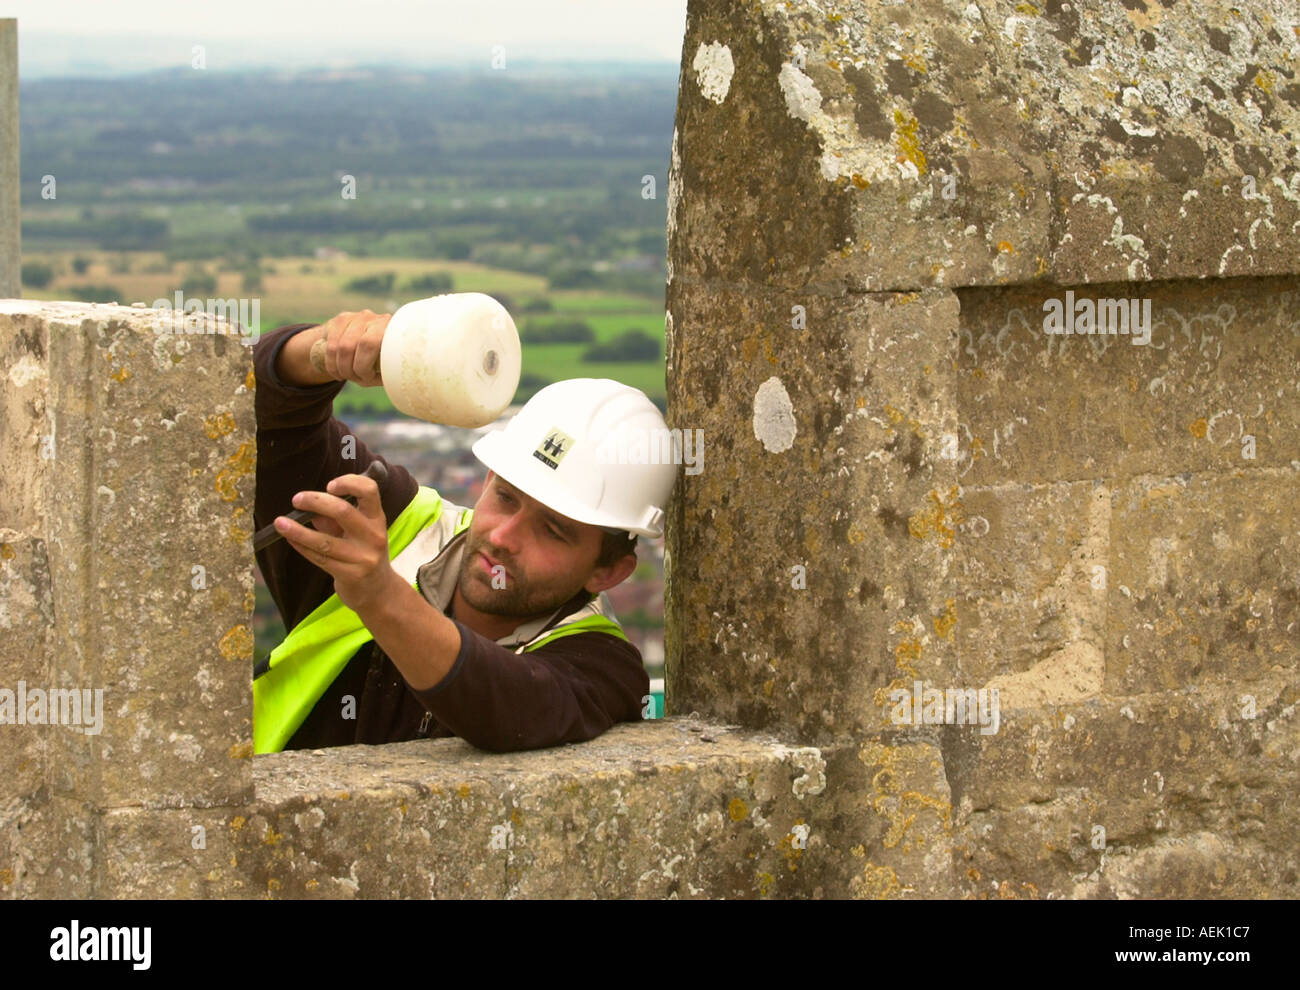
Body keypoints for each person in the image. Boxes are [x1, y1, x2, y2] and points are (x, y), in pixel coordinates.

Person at [251, 309, 677, 754]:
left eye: (553, 530)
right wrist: (325, 354)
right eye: (506, 498)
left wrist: (379, 594)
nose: (503, 536)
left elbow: (509, 708)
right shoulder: (396, 521)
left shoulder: (600, 665)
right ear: (488, 479)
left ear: (608, 572)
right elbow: (259, 410)